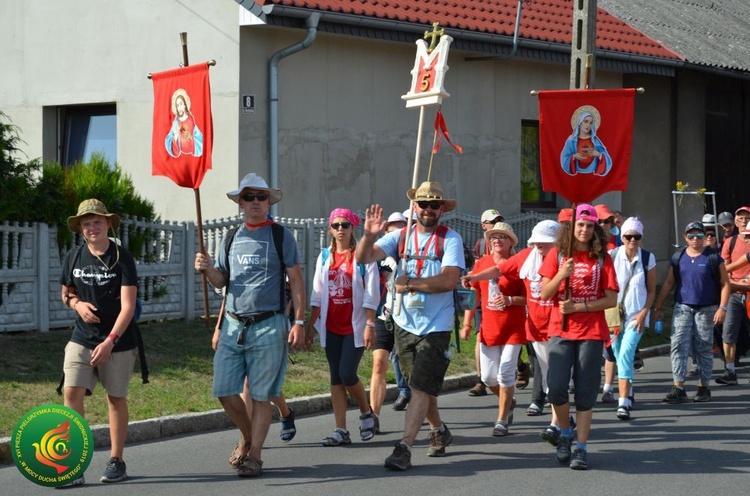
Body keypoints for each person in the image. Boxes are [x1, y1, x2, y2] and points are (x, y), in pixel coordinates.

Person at [194, 173, 306, 478]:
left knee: (259, 395)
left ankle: (254, 455)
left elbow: (296, 281)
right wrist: (206, 269)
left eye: (261, 196)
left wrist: (298, 320)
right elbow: (223, 282)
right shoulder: (231, 237)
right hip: (233, 325)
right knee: (223, 390)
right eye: (249, 197)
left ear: (268, 201)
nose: (256, 202)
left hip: (269, 324)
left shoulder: (281, 236)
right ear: (240, 202)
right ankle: (247, 436)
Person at [355, 181, 465, 471]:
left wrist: (411, 284)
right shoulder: (401, 237)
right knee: (422, 386)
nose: (429, 209)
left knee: (417, 386)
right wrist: (367, 236)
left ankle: (404, 447)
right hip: (404, 322)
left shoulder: (450, 239)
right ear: (414, 207)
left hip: (436, 325)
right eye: (424, 204)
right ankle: (439, 430)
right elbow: (363, 257)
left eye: (435, 204)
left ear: (442, 209)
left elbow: (449, 280)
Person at [60, 199, 139, 485]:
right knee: (71, 394)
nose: (91, 227)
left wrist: (109, 341)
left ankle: (116, 461)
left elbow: (128, 307)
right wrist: (77, 305)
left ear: (107, 224)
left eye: (97, 222)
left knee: (115, 398)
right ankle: (74, 463)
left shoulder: (123, 257)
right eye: (86, 223)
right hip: (81, 338)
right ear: (80, 229)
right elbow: (66, 293)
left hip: (117, 341)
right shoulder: (74, 256)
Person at [539, 203, 619, 471]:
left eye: (589, 225)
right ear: (571, 228)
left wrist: (580, 307)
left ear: (595, 228)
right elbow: (545, 294)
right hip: (560, 330)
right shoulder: (557, 255)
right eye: (580, 225)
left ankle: (581, 448)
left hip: (592, 332)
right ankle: (564, 432)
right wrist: (562, 273)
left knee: (585, 391)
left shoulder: (602, 258)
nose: (584, 230)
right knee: (556, 387)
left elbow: (611, 298)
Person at [307, 208, 380, 446]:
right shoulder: (324, 257)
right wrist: (309, 325)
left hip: (355, 325)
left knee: (348, 373)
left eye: (345, 225)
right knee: (336, 377)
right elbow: (317, 294)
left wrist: (370, 324)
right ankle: (341, 430)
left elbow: (371, 293)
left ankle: (366, 411)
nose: (340, 229)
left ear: (353, 228)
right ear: (330, 228)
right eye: (336, 225)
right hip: (330, 325)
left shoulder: (363, 256)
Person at [653, 221, 730, 404]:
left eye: (700, 235)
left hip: (707, 307)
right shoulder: (678, 257)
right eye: (691, 235)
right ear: (685, 237)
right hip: (683, 307)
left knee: (703, 346)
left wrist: (722, 308)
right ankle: (678, 387)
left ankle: (704, 386)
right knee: (678, 344)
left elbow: (725, 284)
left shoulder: (713, 257)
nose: (695, 239)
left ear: (705, 237)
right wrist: (658, 307)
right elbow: (669, 283)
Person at [461, 222, 525, 437]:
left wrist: (509, 300)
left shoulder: (518, 264)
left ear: (511, 242)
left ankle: (502, 419)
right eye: (493, 237)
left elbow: (529, 298)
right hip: (489, 327)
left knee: (506, 371)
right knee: (488, 378)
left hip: (513, 327)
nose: (497, 240)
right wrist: (467, 323)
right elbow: (474, 296)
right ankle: (509, 401)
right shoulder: (481, 265)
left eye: (502, 237)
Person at [608, 218, 656, 420]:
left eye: (636, 236)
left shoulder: (648, 258)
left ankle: (623, 401)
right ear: (622, 237)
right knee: (619, 355)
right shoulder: (612, 256)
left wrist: (645, 312)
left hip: (636, 315)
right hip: (614, 315)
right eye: (628, 236)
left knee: (627, 352)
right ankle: (629, 388)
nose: (632, 240)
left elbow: (652, 290)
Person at [369, 212, 412, 414]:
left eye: (401, 228)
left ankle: (417, 402)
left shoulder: (411, 255)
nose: (396, 232)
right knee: (379, 363)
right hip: (383, 314)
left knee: (408, 363)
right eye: (392, 229)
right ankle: (373, 416)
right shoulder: (377, 257)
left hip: (409, 317)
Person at [469, 209, 504, 397]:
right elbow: (477, 269)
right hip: (483, 296)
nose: (496, 224)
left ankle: (520, 366)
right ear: (484, 225)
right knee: (480, 336)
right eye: (492, 222)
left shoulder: (506, 238)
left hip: (502, 297)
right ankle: (480, 379)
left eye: (499, 220)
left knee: (506, 340)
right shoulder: (481, 244)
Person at [715, 206, 750, 385]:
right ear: (735, 222)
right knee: (728, 333)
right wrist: (734, 282)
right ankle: (730, 371)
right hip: (735, 294)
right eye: (740, 219)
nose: (744, 222)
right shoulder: (731, 242)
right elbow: (724, 270)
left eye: (747, 218)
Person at [560, 106, 612, 177]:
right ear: (580, 122)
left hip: (593, 177)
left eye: (591, 123)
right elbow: (564, 158)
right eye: (585, 121)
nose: (588, 125)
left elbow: (608, 159)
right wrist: (574, 156)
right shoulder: (571, 140)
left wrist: (598, 154)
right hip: (576, 177)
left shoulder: (595, 140)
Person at [165, 89, 204, 157]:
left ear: (185, 105)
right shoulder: (176, 122)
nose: (179, 107)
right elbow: (169, 138)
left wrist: (191, 136)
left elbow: (198, 136)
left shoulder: (191, 119)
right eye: (177, 105)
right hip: (181, 156)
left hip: (192, 155)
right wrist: (175, 137)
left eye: (180, 104)